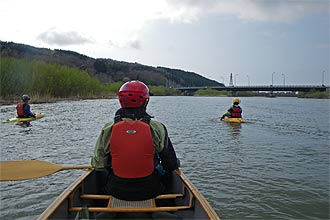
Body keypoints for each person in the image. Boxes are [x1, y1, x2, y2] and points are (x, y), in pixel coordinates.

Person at [91, 80, 180, 201]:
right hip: (151, 190)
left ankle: (99, 201)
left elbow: (98, 164)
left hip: (116, 190)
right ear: (145, 101)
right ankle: (167, 202)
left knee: (99, 170)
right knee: (167, 168)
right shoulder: (157, 127)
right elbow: (170, 164)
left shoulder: (108, 128)